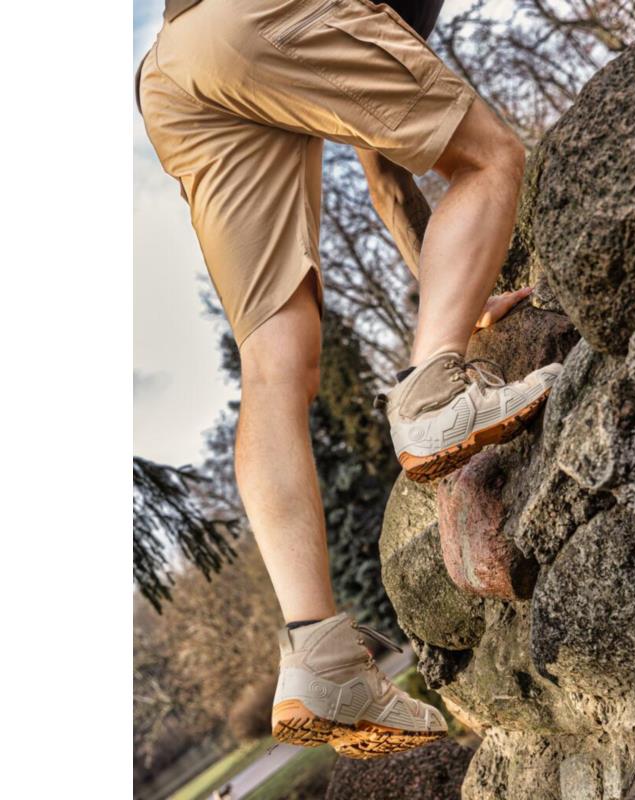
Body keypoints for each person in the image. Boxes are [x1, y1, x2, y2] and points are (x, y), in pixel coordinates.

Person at [137, 0, 561, 759]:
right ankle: (434, 398)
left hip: (173, 69)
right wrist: (446, 331)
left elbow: (385, 170)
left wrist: (458, 292)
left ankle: (320, 654)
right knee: (492, 157)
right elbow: (416, 161)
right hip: (255, 15)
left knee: (273, 367)